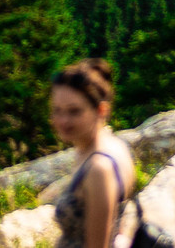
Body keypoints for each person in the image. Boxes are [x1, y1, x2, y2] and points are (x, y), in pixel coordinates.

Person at [48, 58, 137, 248]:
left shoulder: (99, 168)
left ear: (101, 110)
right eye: (57, 110)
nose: (63, 120)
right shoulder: (113, 145)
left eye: (74, 112)